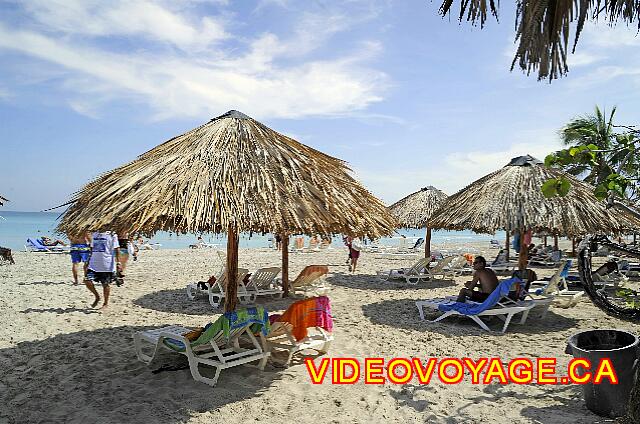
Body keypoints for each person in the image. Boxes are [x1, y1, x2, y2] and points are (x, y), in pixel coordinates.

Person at [84, 231, 119, 309]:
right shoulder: (95, 234)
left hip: (106, 264)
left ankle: (105, 303)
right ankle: (97, 297)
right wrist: (88, 260)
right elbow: (92, 248)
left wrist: (118, 262)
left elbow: (116, 249)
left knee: (105, 284)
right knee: (87, 280)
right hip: (94, 264)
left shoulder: (112, 235)